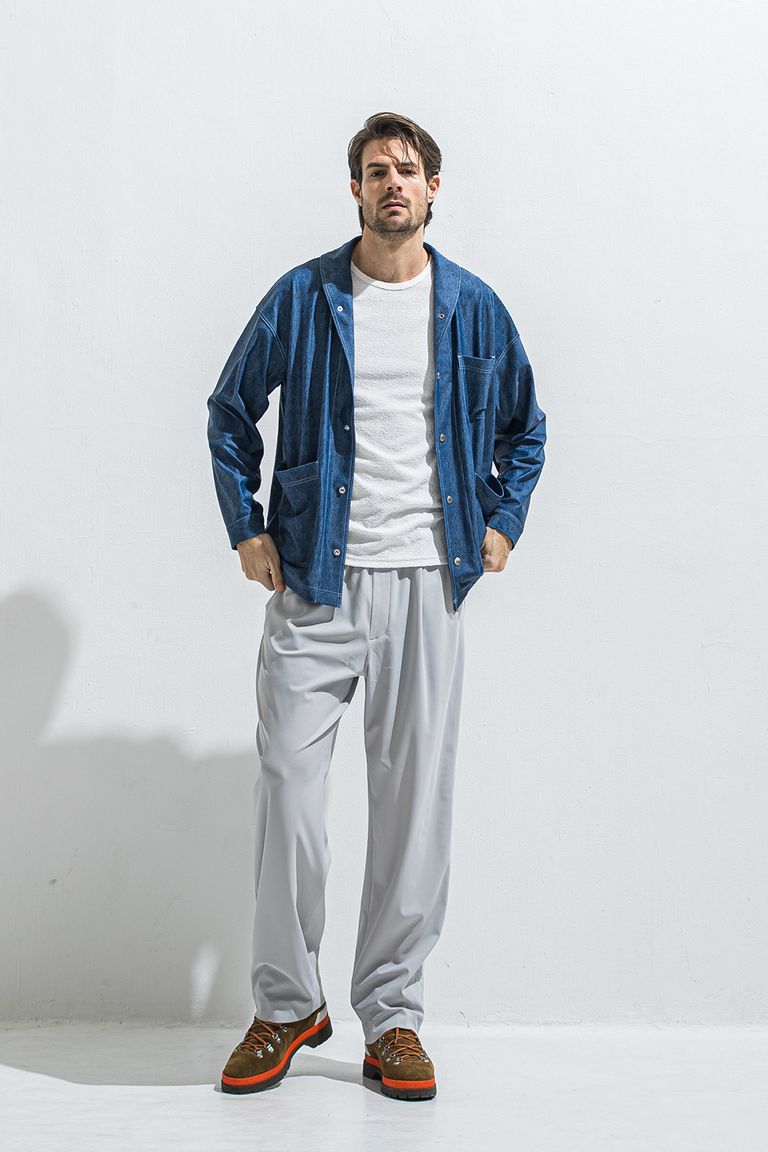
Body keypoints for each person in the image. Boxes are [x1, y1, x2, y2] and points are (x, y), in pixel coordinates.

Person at [207, 112, 547, 1100]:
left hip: (427, 582)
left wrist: (503, 521)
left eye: (406, 169)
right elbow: (230, 412)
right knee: (288, 784)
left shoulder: (473, 307)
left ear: (433, 188)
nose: (391, 182)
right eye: (374, 170)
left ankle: (392, 1016)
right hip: (314, 581)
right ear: (353, 190)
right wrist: (245, 527)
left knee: (412, 809)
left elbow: (526, 429)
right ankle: (286, 1005)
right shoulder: (304, 296)